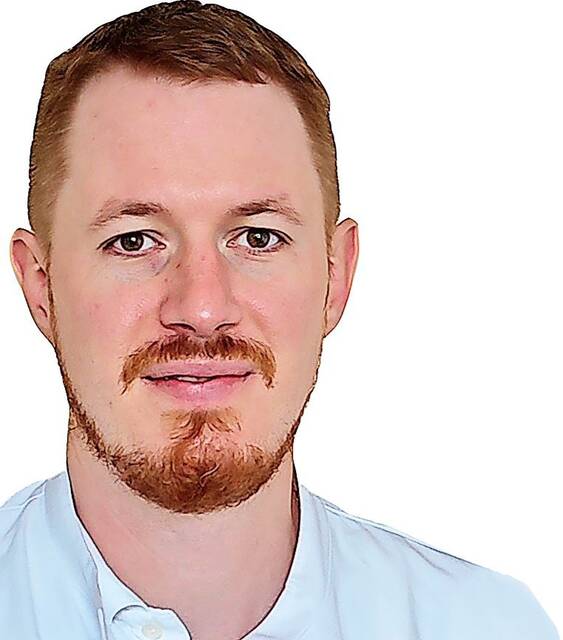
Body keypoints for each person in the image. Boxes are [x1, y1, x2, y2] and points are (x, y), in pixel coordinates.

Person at [0, 2, 558, 639]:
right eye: (133, 241)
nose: (202, 308)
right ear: (40, 286)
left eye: (258, 238)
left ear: (335, 276)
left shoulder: (491, 627)